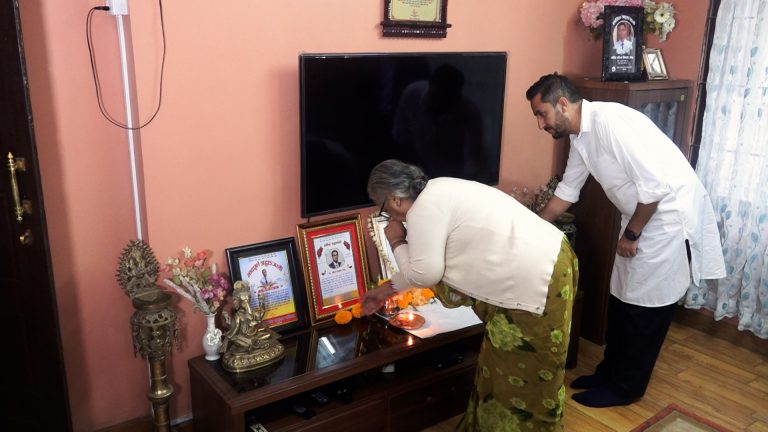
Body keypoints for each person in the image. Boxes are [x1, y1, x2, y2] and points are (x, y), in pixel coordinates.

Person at [525, 73, 725, 408]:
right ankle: (609, 373)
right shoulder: (581, 137)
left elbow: (655, 187)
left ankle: (626, 388)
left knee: (645, 308)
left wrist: (633, 233)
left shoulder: (610, 123)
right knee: (621, 297)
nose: (540, 124)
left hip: (664, 218)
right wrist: (530, 226)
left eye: (541, 114)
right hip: (638, 215)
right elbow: (568, 192)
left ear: (562, 104)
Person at [361, 159, 578, 432]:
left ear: (395, 199)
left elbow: (425, 273)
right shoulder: (439, 188)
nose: (387, 217)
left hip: (536, 280)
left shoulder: (423, 210)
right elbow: (425, 268)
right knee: (499, 369)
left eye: (382, 209)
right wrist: (385, 290)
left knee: (524, 380)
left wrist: (396, 241)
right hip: (552, 262)